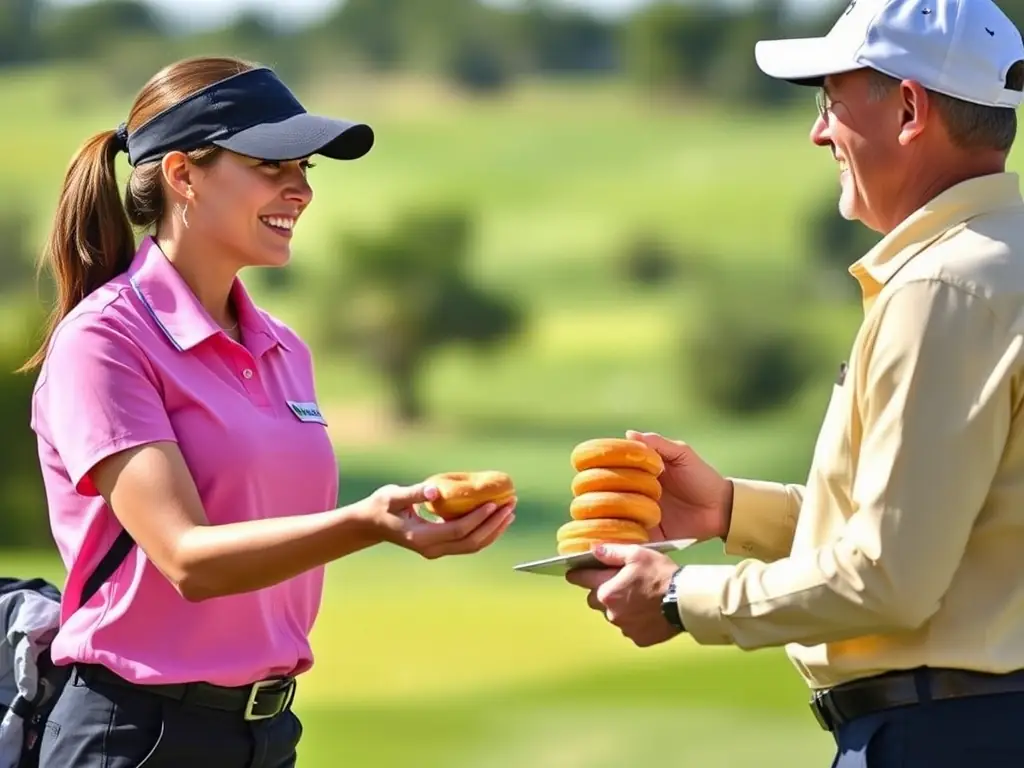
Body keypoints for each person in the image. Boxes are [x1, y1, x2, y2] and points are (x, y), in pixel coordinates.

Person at [23, 55, 516, 768]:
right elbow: (187, 559)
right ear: (183, 176)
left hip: (266, 734)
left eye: (307, 167)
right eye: (271, 164)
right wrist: (368, 523)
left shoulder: (284, 348)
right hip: (135, 736)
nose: (301, 189)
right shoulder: (103, 342)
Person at [565, 0, 1024, 764]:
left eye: (830, 101)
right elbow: (953, 524)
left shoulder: (943, 286)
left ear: (909, 107)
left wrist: (680, 599)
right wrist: (730, 509)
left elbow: (891, 578)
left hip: (944, 736)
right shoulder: (997, 265)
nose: (819, 132)